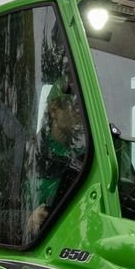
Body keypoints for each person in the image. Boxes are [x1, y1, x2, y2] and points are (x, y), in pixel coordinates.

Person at [26, 85, 85, 235]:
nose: (82, 113)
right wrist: (27, 220)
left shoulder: (90, 156)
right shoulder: (26, 155)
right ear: (54, 111)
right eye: (76, 105)